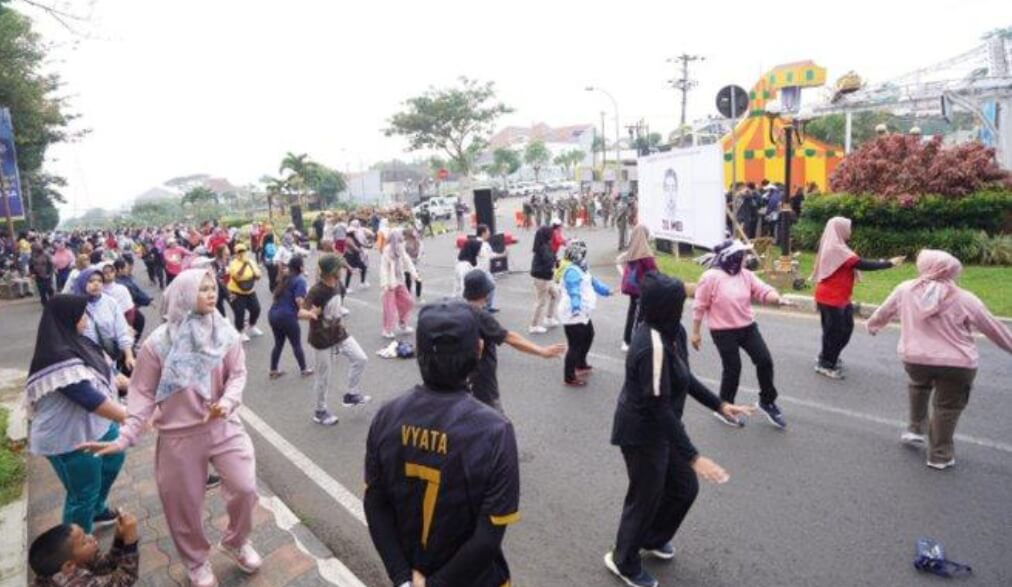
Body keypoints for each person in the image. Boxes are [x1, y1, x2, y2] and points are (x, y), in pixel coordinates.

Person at [79, 268, 261, 587]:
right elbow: (142, 394)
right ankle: (196, 562)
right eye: (202, 289)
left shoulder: (225, 331)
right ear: (183, 295)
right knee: (183, 504)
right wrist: (124, 438)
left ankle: (235, 541)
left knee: (245, 488)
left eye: (211, 287)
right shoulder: (158, 344)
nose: (210, 293)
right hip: (179, 435)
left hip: (224, 425)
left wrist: (228, 402)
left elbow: (238, 374)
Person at [606, 274, 751, 587]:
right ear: (664, 308)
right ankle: (623, 560)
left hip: (664, 428)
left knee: (684, 488)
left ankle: (652, 537)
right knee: (645, 496)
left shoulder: (674, 332)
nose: (684, 308)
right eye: (679, 303)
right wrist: (694, 457)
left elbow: (685, 377)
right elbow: (658, 408)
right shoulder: (651, 346)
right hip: (642, 432)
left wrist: (720, 404)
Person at [364, 301, 521, 587]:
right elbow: (488, 538)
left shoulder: (386, 416)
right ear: (479, 350)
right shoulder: (495, 431)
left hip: (411, 572)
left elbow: (375, 504)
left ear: (417, 352)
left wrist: (402, 578)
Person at [867, 250, 1012, 470]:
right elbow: (993, 328)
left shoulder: (905, 289)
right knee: (947, 407)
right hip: (957, 365)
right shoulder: (965, 299)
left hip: (915, 359)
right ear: (952, 269)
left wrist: (873, 326)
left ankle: (915, 429)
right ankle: (939, 455)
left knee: (919, 386)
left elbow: (884, 311)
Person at [26, 295, 128, 534]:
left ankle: (96, 509)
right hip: (68, 439)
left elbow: (107, 375)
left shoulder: (80, 341)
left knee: (113, 459)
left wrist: (125, 382)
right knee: (82, 492)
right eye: (82, 314)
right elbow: (89, 399)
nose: (86, 318)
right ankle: (78, 550)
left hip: (96, 426)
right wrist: (130, 416)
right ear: (67, 318)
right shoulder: (55, 356)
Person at [691, 240, 790, 429]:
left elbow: (762, 290)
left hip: (747, 327)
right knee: (733, 368)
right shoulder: (710, 277)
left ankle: (767, 401)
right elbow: (699, 305)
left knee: (764, 360)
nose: (746, 258)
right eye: (743, 254)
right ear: (732, 257)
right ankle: (724, 407)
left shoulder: (745, 275)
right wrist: (696, 332)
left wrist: (777, 298)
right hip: (722, 331)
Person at [811, 217, 905, 379]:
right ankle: (826, 364)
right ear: (840, 229)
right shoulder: (836, 248)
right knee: (835, 333)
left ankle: (827, 357)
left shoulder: (838, 246)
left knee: (843, 329)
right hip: (831, 298)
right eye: (848, 228)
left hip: (839, 297)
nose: (850, 231)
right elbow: (862, 264)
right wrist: (889, 263)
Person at [462, 269, 565, 412]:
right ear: (485, 293)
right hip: (483, 386)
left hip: (462, 382)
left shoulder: (458, 310)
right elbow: (510, 338)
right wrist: (542, 351)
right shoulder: (481, 316)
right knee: (498, 424)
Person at [304, 254, 370, 426]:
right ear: (332, 272)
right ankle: (320, 411)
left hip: (338, 332)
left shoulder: (339, 285)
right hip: (321, 338)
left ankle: (351, 394)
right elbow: (301, 312)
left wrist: (341, 322)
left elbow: (337, 308)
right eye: (339, 268)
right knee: (323, 377)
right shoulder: (316, 290)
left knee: (360, 358)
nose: (342, 269)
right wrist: (311, 313)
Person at [29, 513, 140, 587]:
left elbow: (107, 566)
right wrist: (131, 543)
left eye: (85, 534)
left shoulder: (71, 562)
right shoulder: (76, 583)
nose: (91, 537)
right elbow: (125, 581)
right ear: (69, 566)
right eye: (84, 542)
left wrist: (119, 538)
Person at [558, 240, 612, 386]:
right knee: (575, 344)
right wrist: (575, 308)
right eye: (583, 252)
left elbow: (593, 282)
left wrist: (606, 291)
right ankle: (569, 377)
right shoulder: (571, 271)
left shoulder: (582, 268)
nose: (584, 254)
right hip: (573, 313)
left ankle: (580, 363)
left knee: (589, 335)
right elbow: (573, 291)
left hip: (583, 313)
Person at [73, 268, 136, 373]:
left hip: (110, 357)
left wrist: (129, 356)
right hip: (87, 361)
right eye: (91, 281)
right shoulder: (74, 305)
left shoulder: (110, 302)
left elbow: (122, 330)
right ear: (82, 282)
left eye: (99, 281)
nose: (96, 284)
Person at [268, 256, 314, 379]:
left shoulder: (285, 278)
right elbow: (299, 301)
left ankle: (273, 370)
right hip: (286, 316)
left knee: (278, 343)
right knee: (296, 343)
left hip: (273, 314)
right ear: (300, 267)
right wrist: (311, 313)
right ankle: (304, 369)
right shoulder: (300, 280)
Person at [618, 225, 659, 353]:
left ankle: (629, 339)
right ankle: (630, 341)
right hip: (641, 289)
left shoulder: (632, 250)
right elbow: (655, 272)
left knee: (633, 313)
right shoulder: (645, 253)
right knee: (638, 316)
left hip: (632, 288)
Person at [379, 229, 418, 339]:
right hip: (389, 284)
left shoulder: (400, 248)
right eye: (399, 238)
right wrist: (385, 284)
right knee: (389, 308)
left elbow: (407, 260)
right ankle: (387, 330)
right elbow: (383, 268)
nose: (402, 239)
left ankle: (402, 323)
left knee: (408, 302)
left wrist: (414, 273)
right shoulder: (387, 250)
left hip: (400, 281)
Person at [227, 243, 264, 342]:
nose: (242, 253)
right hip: (236, 291)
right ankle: (240, 331)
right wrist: (244, 264)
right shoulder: (233, 263)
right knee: (240, 312)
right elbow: (237, 276)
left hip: (249, 290)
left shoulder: (251, 261)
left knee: (256, 309)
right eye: (239, 251)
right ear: (235, 253)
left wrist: (255, 272)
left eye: (243, 251)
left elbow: (258, 274)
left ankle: (252, 326)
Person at [529, 226, 560, 334]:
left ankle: (549, 318)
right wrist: (555, 265)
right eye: (551, 234)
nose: (552, 235)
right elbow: (549, 261)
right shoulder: (543, 247)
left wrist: (556, 260)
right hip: (542, 278)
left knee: (555, 295)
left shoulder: (545, 245)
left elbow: (552, 257)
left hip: (546, 277)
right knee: (541, 302)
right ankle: (534, 325)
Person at [30, 241, 55, 307]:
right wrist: (32, 273)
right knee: (42, 291)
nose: (36, 250)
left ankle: (53, 303)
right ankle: (45, 304)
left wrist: (49, 273)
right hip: (38, 275)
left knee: (49, 289)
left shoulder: (46, 254)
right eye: (34, 248)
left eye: (37, 247)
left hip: (47, 274)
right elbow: (31, 266)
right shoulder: (33, 256)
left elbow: (51, 264)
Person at [402, 226, 424, 300]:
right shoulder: (404, 242)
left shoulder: (418, 242)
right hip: (407, 263)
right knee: (407, 278)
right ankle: (408, 294)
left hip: (415, 263)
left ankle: (418, 295)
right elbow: (403, 253)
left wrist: (418, 258)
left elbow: (421, 251)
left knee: (418, 279)